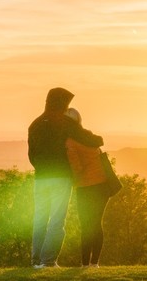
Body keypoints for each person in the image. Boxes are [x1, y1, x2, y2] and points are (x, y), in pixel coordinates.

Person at [28, 87, 103, 269]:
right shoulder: (65, 123)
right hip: (61, 177)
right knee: (56, 221)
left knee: (39, 219)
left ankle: (35, 261)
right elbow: (95, 141)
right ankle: (48, 262)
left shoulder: (35, 124)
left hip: (41, 178)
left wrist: (42, 168)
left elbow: (32, 155)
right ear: (62, 103)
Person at [64, 107, 110, 268]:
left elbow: (76, 168)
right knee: (97, 223)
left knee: (86, 225)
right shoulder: (90, 137)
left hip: (85, 187)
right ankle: (94, 263)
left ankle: (84, 263)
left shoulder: (70, 142)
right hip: (103, 185)